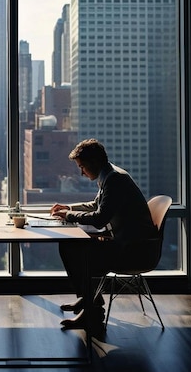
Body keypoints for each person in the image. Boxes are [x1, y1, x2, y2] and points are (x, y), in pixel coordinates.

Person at [50, 138, 157, 332]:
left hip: (131, 251)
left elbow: (99, 218)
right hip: (125, 243)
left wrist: (69, 215)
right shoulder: (110, 174)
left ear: (94, 162)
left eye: (82, 167)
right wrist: (69, 208)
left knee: (74, 249)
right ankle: (89, 300)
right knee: (70, 245)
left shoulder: (114, 180)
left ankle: (93, 311)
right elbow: (97, 204)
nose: (81, 172)